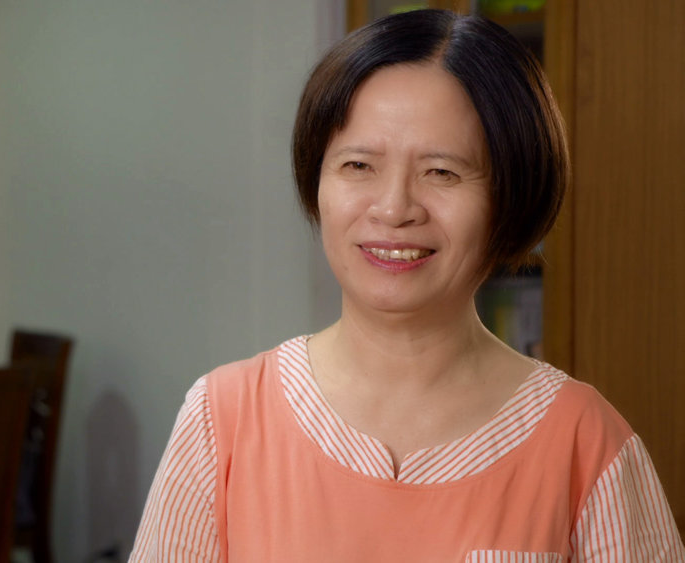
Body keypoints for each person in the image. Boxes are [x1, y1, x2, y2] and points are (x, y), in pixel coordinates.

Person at [129, 9, 684, 562]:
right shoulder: (221, 420)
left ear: (511, 197)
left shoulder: (586, 442)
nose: (394, 209)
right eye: (358, 166)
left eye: (442, 172)